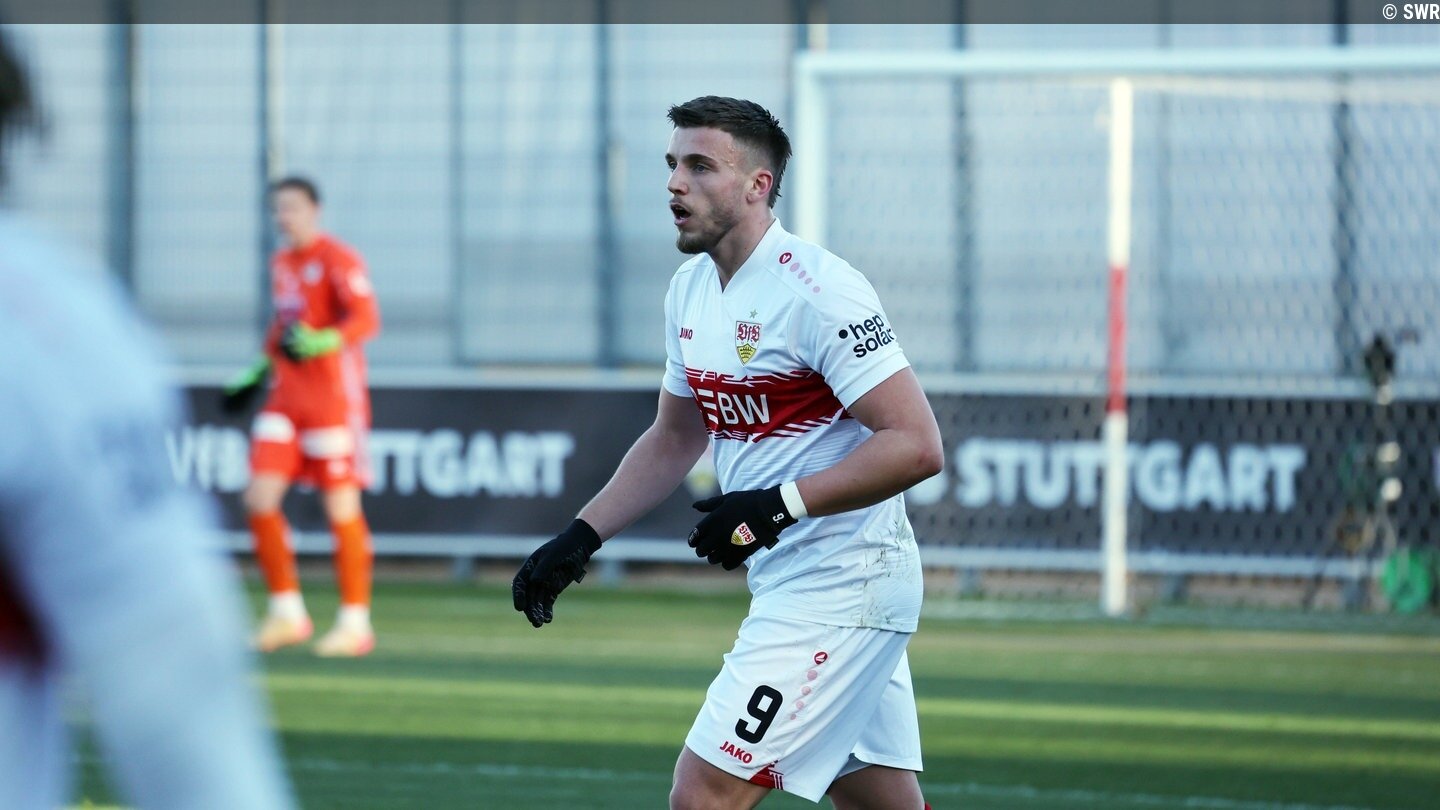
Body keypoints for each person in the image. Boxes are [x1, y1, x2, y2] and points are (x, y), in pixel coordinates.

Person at [512, 96, 943, 810]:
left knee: (703, 794)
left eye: (700, 166)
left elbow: (916, 445)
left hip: (843, 585)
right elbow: (675, 436)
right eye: (672, 164)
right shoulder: (689, 292)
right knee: (880, 802)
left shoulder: (819, 291)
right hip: (796, 586)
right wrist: (581, 535)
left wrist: (777, 507)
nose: (675, 183)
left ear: (757, 185)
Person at [0, 31, 294, 809]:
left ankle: (338, 613)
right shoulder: (60, 327)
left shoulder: (48, 330)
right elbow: (181, 690)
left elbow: (173, 675)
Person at [222, 176, 381, 657]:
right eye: (278, 209)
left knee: (341, 509)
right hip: (285, 400)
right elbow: (283, 326)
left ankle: (355, 622)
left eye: (292, 207)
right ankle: (287, 612)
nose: (284, 217)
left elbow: (366, 318)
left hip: (331, 401)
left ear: (315, 209)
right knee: (258, 498)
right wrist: (258, 368)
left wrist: (324, 340)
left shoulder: (338, 258)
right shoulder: (281, 264)